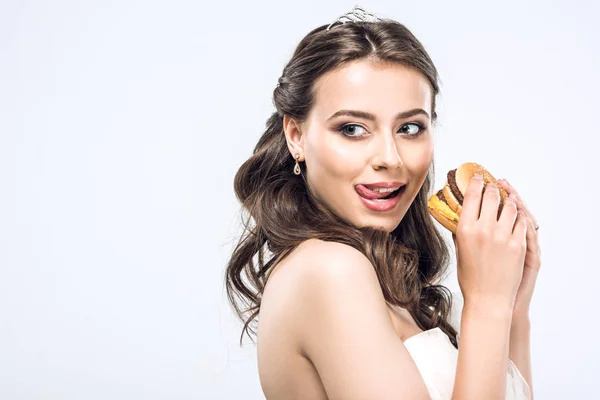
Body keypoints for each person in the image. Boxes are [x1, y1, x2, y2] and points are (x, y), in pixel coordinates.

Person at [225, 5, 541, 399]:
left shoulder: (388, 284)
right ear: (296, 136)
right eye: (353, 128)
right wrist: (488, 303)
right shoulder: (328, 270)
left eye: (410, 128)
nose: (390, 157)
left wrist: (513, 308)